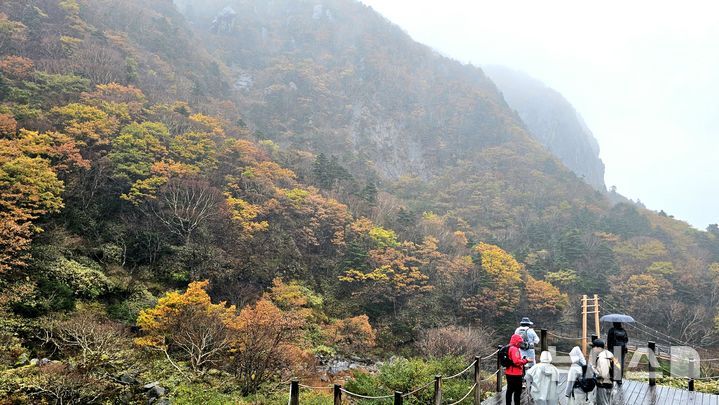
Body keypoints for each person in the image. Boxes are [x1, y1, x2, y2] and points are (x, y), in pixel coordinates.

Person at [590, 339, 619, 405]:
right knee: (608, 402)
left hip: (603, 385)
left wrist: (593, 369)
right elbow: (618, 366)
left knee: (602, 403)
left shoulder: (601, 358)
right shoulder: (609, 353)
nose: (593, 349)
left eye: (594, 347)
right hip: (611, 383)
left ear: (598, 347)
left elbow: (603, 374)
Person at [505, 334, 529, 405]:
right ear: (516, 342)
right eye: (519, 342)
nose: (520, 343)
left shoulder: (508, 347)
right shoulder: (514, 349)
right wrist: (525, 361)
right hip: (515, 374)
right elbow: (516, 362)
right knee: (518, 391)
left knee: (509, 390)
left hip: (508, 372)